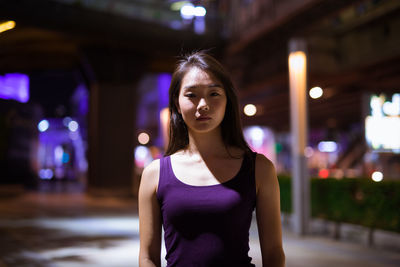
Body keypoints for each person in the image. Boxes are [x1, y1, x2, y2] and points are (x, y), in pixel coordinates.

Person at [139, 51, 285, 267]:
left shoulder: (259, 169)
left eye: (214, 94)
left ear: (227, 101)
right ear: (177, 104)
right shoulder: (155, 174)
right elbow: (147, 257)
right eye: (191, 95)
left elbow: (273, 253)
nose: (203, 105)